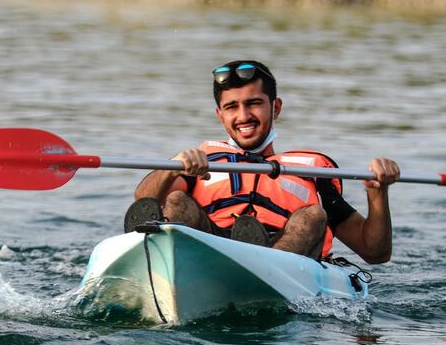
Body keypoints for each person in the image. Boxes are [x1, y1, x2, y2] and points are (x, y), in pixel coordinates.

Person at [125, 60, 400, 264]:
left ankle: (260, 262)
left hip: (284, 260)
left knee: (313, 215)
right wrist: (173, 164)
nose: (243, 116)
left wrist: (377, 194)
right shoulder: (201, 160)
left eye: (254, 103)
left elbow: (375, 252)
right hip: (209, 248)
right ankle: (167, 252)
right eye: (232, 107)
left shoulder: (310, 170)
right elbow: (143, 198)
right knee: (174, 200)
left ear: (276, 107)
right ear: (220, 115)